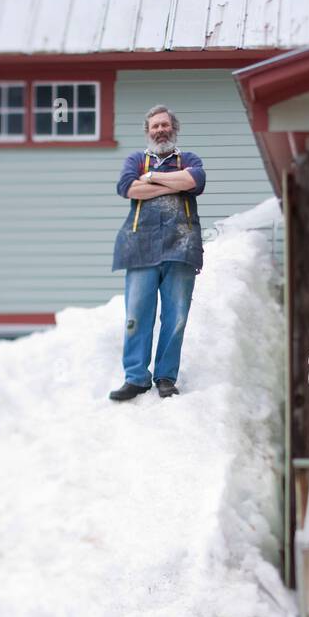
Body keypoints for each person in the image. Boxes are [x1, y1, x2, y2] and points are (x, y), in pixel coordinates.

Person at [107, 105, 206, 401]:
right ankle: (136, 378)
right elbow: (127, 187)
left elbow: (194, 181)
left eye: (164, 125)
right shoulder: (136, 159)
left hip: (182, 246)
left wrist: (150, 179)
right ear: (148, 131)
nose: (160, 130)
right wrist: (170, 185)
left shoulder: (189, 159)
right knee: (137, 315)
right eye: (154, 126)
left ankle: (165, 377)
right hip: (140, 247)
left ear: (173, 128)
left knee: (175, 316)